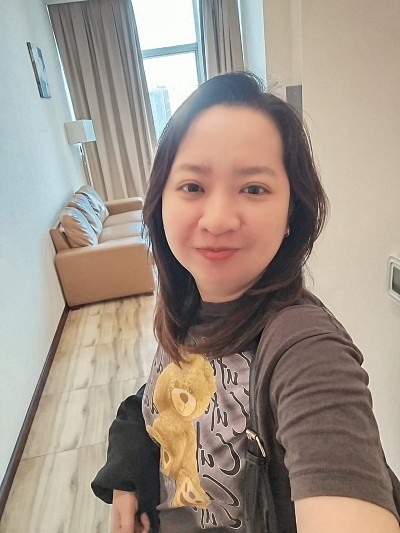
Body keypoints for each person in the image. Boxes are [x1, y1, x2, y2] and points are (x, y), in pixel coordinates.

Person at [92, 71, 400, 533]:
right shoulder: (187, 304)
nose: (217, 220)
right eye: (193, 186)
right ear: (160, 202)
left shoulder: (306, 350)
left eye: (253, 188)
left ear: (292, 213)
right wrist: (127, 470)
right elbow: (158, 400)